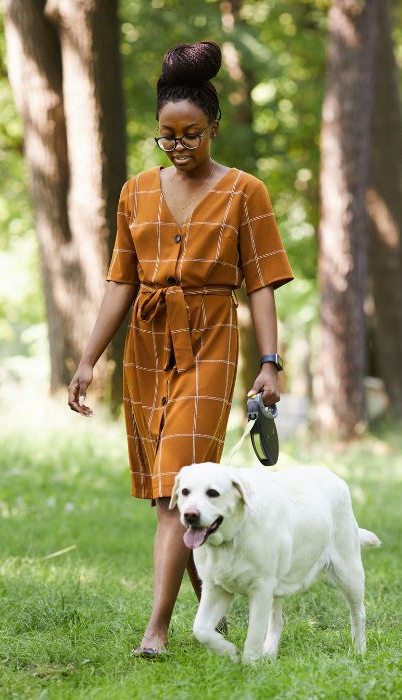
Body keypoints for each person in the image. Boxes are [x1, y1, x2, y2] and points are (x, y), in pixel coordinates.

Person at [66, 40, 293, 657]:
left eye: (191, 134)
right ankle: (210, 613)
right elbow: (121, 280)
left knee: (175, 493)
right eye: (168, 136)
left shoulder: (247, 191)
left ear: (214, 128)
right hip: (145, 344)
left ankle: (157, 633)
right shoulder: (135, 191)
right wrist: (89, 359)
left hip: (212, 341)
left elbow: (263, 282)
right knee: (173, 496)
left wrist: (269, 362)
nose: (180, 146)